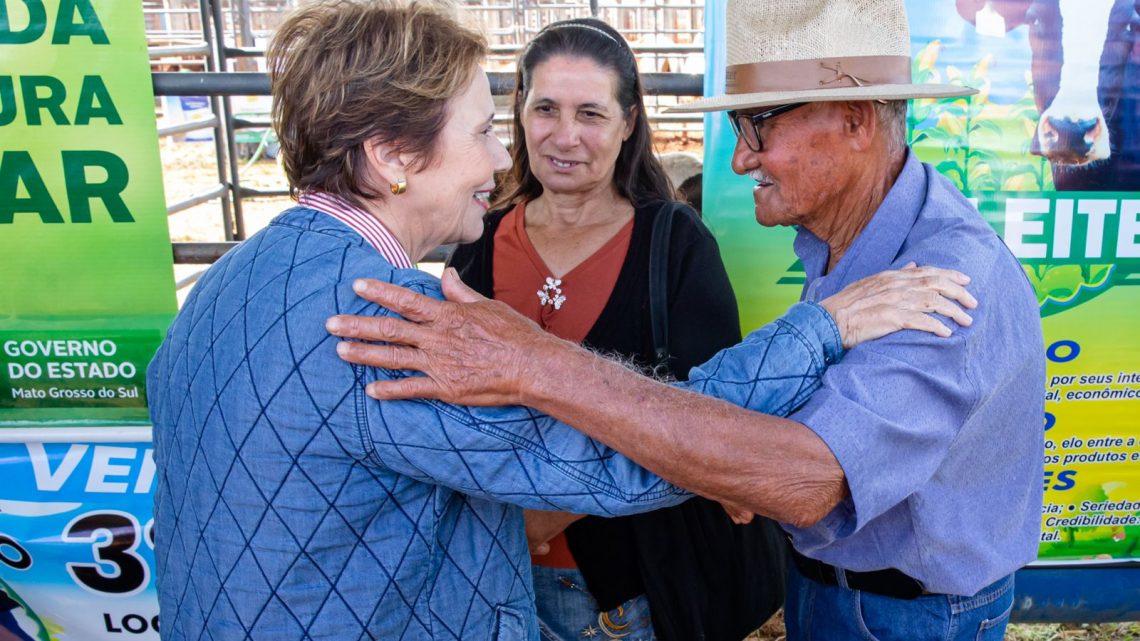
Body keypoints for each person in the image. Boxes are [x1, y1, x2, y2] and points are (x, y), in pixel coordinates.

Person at [146, 1, 975, 639]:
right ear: (392, 158)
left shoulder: (231, 279)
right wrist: (822, 327)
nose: (506, 156)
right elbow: (625, 462)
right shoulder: (387, 321)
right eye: (483, 132)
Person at [447, 18, 778, 641]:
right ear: (519, 112)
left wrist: (542, 518)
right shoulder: (479, 242)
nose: (565, 136)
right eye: (546, 108)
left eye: (591, 114)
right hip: (494, 588)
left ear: (628, 125)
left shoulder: (673, 245)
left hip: (629, 600)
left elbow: (703, 415)